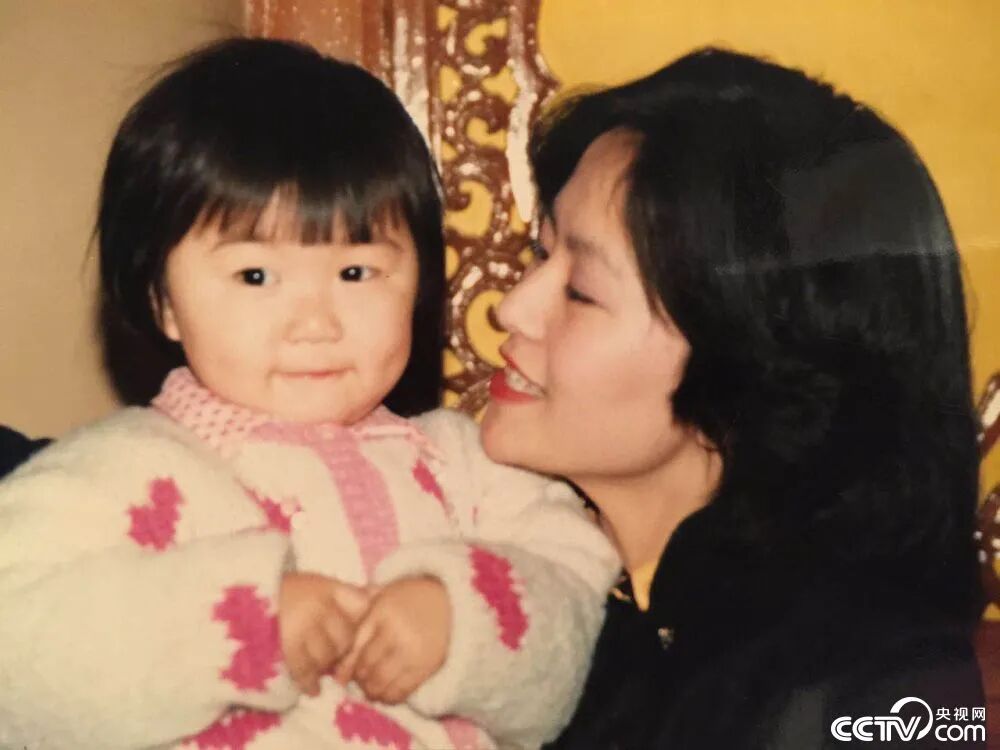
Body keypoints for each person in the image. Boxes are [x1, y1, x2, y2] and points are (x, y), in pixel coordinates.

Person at [0, 38, 618, 750]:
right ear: (163, 300)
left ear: (419, 282)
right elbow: (18, 642)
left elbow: (574, 584)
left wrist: (462, 618)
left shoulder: (474, 467)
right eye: (255, 277)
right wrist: (237, 623)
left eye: (356, 273)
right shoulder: (119, 471)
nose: (316, 323)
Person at [481, 48, 985, 749]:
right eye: (541, 255)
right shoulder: (508, 577)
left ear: (749, 363)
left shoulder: (882, 688)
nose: (511, 309)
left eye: (581, 291)